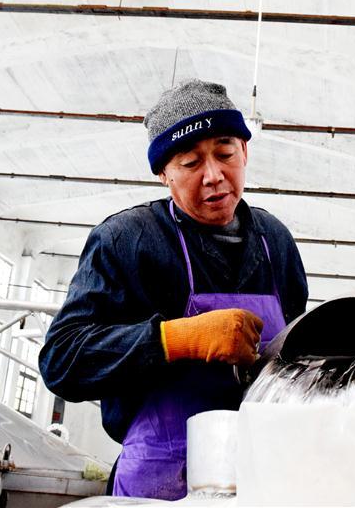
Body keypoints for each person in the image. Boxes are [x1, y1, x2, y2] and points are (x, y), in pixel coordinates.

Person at [39, 79, 308, 500]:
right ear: (164, 173)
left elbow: (300, 362)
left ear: (245, 151)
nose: (214, 176)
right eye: (190, 162)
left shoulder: (276, 242)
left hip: (262, 477)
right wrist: (176, 339)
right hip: (160, 483)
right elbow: (62, 360)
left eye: (225, 154)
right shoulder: (127, 240)